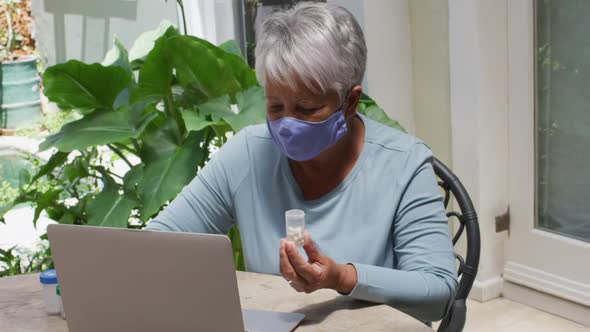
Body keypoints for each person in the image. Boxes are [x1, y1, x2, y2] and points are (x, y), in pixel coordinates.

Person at [146, 2, 457, 323]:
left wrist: (342, 277)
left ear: (350, 101)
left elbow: (438, 290)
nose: (288, 124)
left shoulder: (403, 164)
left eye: (307, 109)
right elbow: (159, 246)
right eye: (275, 106)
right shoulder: (247, 155)